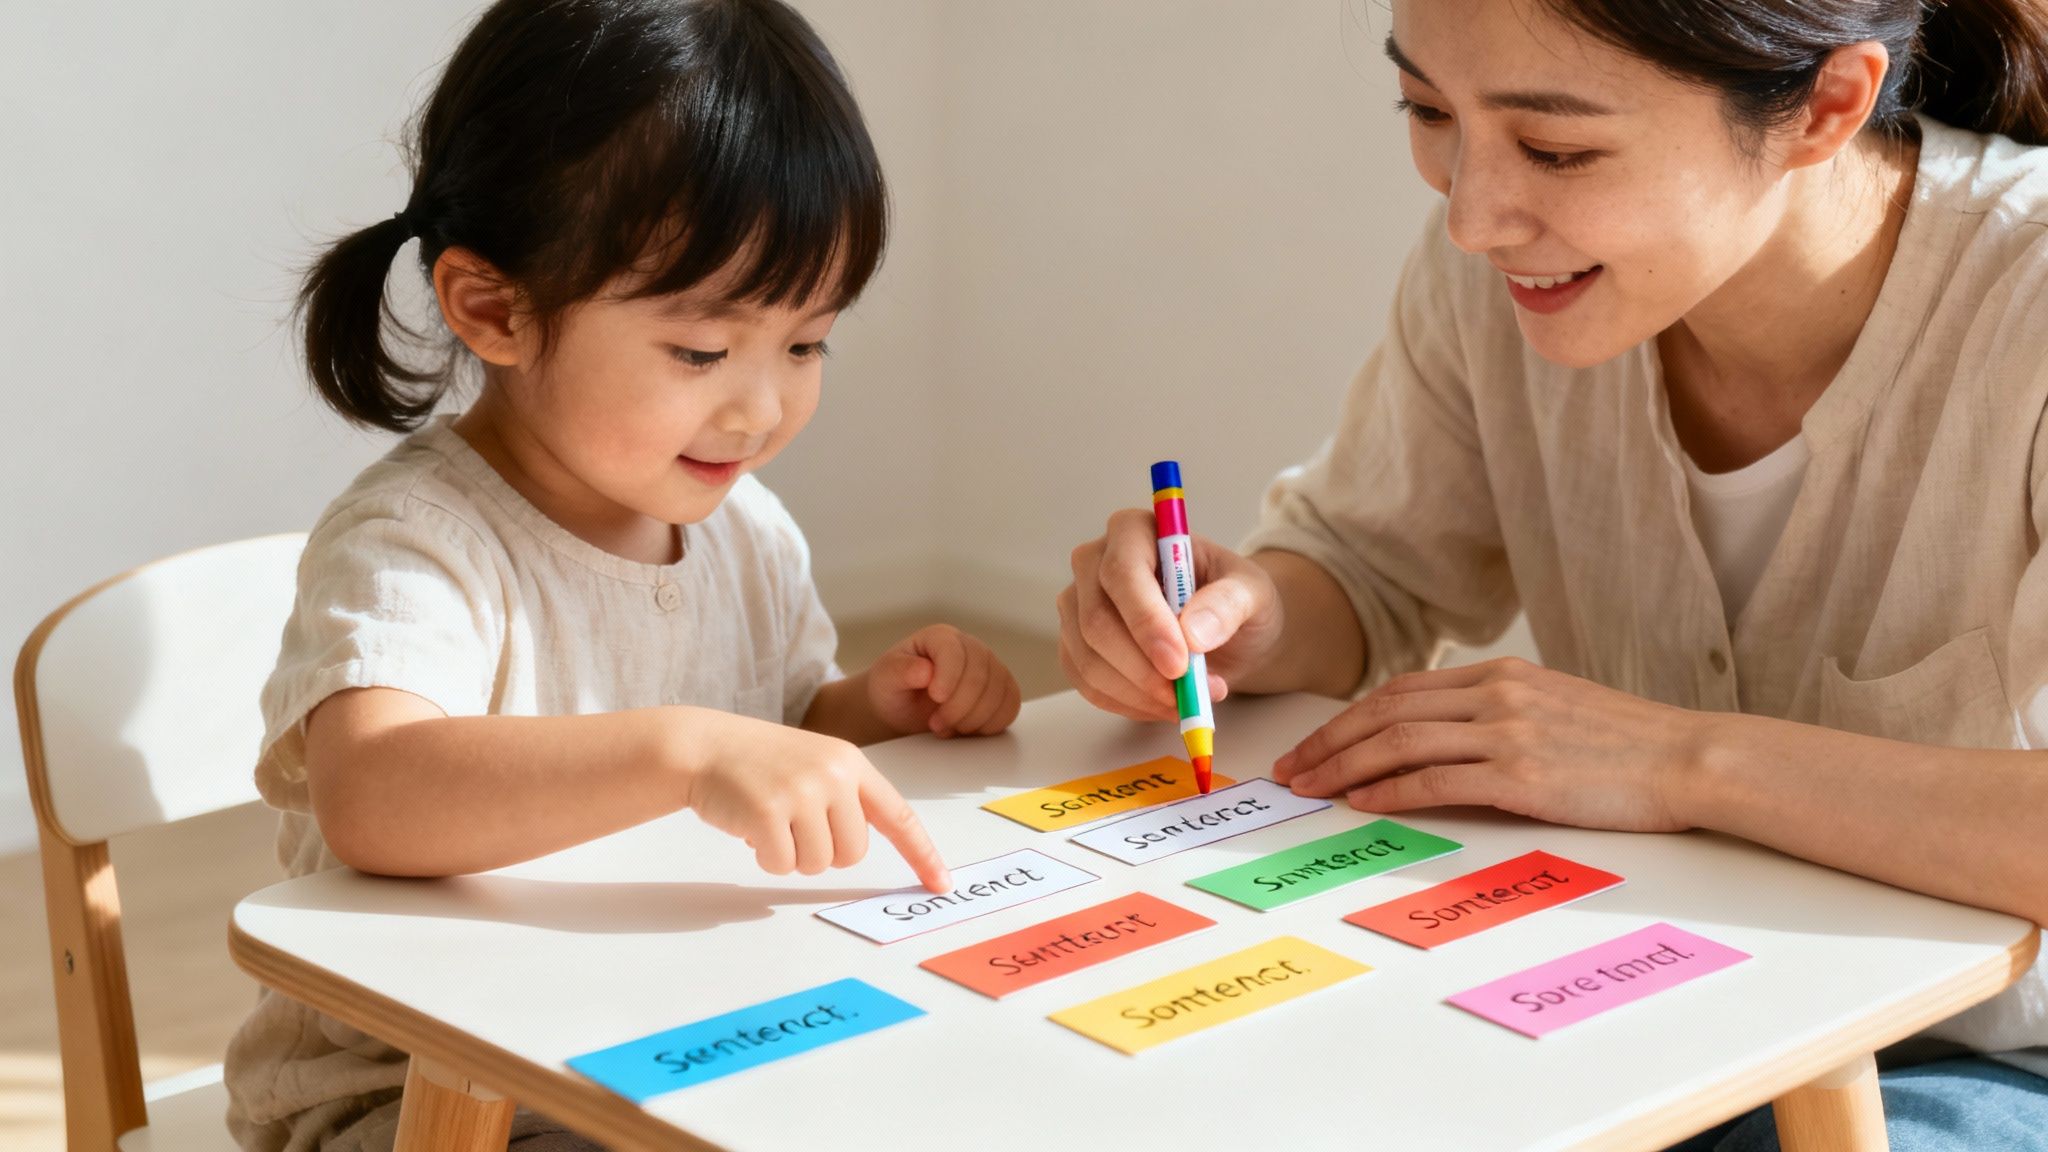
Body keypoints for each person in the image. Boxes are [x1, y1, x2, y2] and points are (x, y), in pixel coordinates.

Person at [1058, 1, 2048, 1147]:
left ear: (1824, 106)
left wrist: (1680, 763)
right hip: (1648, 995)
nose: (1473, 216)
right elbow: (1368, 571)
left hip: (1994, 1047)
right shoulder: (1514, 275)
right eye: (1425, 111)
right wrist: (1246, 618)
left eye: (1556, 149)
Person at [224, 1, 1021, 1147]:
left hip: (665, 1033)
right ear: (493, 308)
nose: (760, 407)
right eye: (701, 350)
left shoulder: (745, 532)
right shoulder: (419, 540)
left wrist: (867, 715)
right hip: (417, 1093)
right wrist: (683, 750)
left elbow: (779, 725)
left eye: (805, 344)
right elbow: (376, 795)